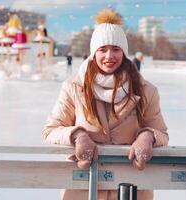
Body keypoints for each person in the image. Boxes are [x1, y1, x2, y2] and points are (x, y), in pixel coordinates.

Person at [42, 8, 168, 200]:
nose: (109, 56)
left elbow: (162, 134)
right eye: (103, 49)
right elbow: (51, 130)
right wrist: (77, 135)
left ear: (124, 53)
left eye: (116, 49)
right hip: (83, 188)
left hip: (131, 187)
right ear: (94, 53)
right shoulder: (74, 87)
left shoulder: (145, 90)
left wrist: (148, 136)